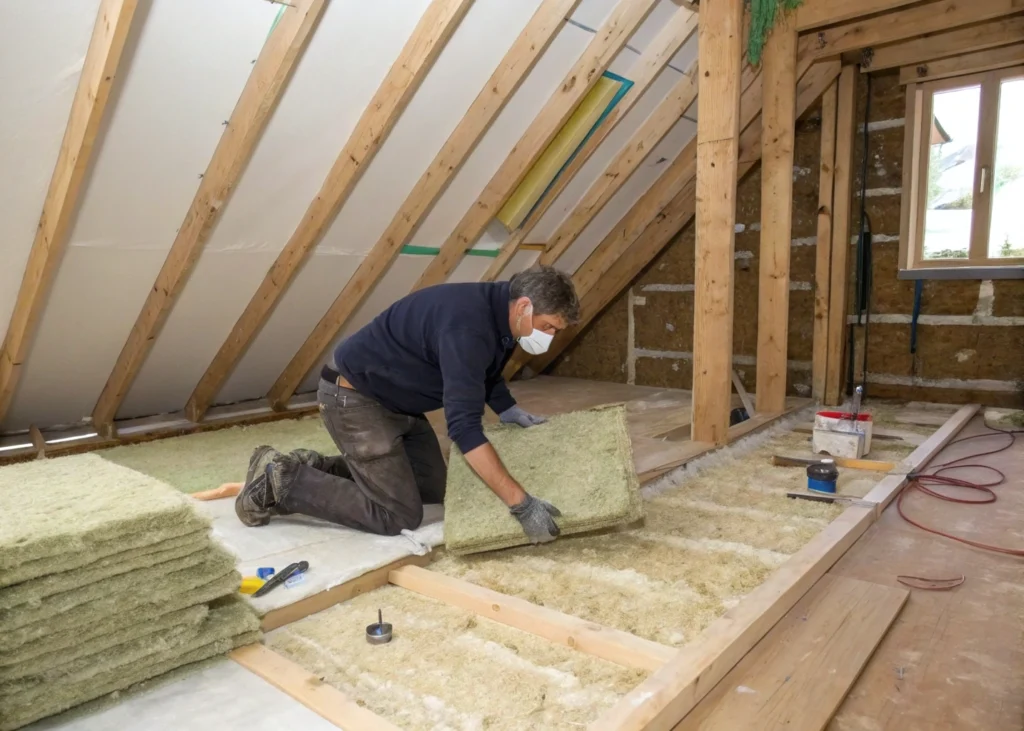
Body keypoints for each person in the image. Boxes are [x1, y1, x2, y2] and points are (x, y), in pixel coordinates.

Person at [235, 265, 580, 544]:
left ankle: (314, 467)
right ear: (524, 307)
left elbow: (485, 371)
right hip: (354, 399)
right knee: (397, 515)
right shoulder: (467, 327)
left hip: (396, 401)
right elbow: (463, 428)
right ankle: (283, 480)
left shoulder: (497, 312)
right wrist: (521, 505)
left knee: (432, 488)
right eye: (547, 326)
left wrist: (506, 408)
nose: (547, 337)